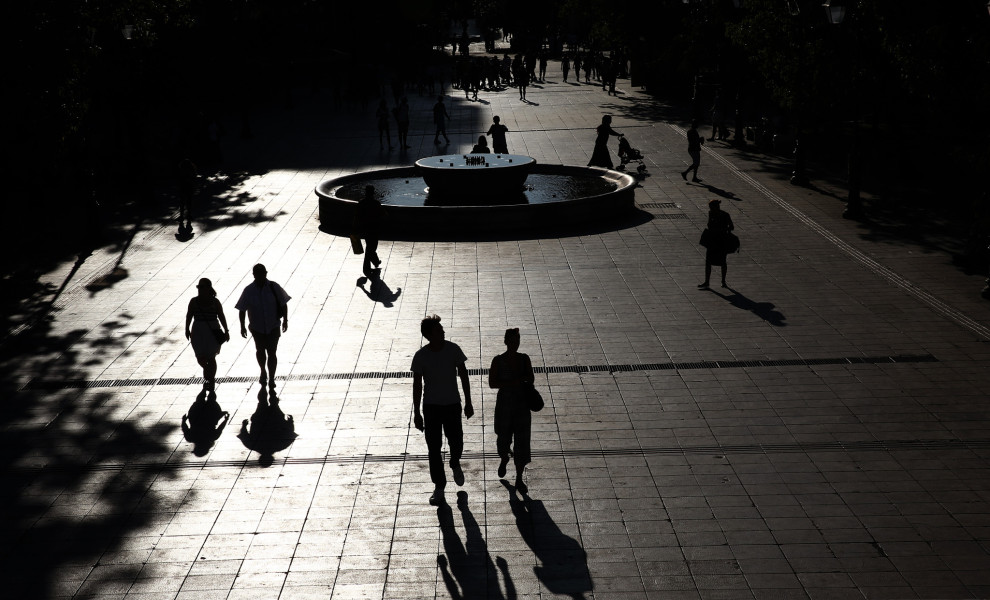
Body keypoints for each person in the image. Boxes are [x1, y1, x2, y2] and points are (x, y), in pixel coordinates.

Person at [411, 315, 474, 506]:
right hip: (431, 408)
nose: (443, 332)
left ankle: (454, 462)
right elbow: (417, 386)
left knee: (457, 441)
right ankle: (439, 486)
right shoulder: (421, 356)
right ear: (429, 335)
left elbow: (463, 375)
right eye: (439, 330)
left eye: (442, 329)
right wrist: (417, 413)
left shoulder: (453, 349)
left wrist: (468, 401)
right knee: (433, 448)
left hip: (452, 404)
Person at [489, 328, 535, 493]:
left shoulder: (524, 359)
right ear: (506, 341)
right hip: (504, 407)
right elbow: (492, 383)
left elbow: (531, 378)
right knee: (503, 441)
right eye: (512, 340)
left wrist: (523, 381)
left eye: (518, 340)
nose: (515, 344)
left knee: (522, 444)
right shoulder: (498, 360)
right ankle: (504, 458)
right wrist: (514, 382)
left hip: (522, 407)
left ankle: (519, 478)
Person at [235, 264, 291, 391]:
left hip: (273, 325)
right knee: (260, 351)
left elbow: (283, 303)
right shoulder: (248, 290)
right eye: (258, 274)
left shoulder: (274, 287)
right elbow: (242, 309)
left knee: (272, 352)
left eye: (262, 274)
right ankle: (262, 371)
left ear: (266, 273)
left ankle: (271, 377)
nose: (261, 276)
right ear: (254, 275)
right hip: (257, 327)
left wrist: (285, 320)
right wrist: (242, 326)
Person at [185, 278, 230, 389]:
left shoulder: (215, 302)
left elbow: (221, 316)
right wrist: (187, 329)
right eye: (199, 287)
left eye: (202, 287)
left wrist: (226, 330)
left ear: (208, 288)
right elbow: (189, 315)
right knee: (200, 357)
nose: (200, 289)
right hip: (198, 332)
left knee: (211, 357)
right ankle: (208, 372)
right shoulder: (193, 301)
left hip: (212, 331)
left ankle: (210, 379)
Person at [699, 199, 735, 289]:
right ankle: (707, 281)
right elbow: (709, 225)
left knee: (722, 261)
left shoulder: (725, 215)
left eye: (711, 208)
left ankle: (723, 281)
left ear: (716, 207)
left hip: (721, 240)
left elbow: (732, 226)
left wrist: (724, 229)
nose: (710, 209)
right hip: (712, 240)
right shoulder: (711, 213)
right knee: (708, 261)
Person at [355, 185, 386, 277]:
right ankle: (367, 267)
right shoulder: (376, 203)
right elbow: (383, 215)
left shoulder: (361, 203)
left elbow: (357, 216)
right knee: (371, 247)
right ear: (373, 193)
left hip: (365, 228)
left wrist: (356, 227)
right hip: (374, 228)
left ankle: (375, 262)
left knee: (370, 246)